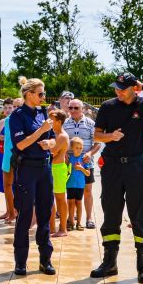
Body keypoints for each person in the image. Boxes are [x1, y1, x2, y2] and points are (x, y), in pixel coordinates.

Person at [90, 72, 143, 284]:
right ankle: (109, 263)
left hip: (136, 166)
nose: (118, 92)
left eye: (123, 88)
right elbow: (96, 135)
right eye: (117, 88)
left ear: (133, 88)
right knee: (111, 212)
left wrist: (142, 85)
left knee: (138, 214)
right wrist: (110, 137)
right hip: (112, 166)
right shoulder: (108, 106)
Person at [9, 76, 56, 276]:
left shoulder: (43, 113)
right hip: (27, 168)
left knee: (45, 214)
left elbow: (53, 139)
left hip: (44, 168)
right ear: (29, 94)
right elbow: (20, 144)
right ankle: (21, 261)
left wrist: (50, 143)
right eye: (40, 93)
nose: (43, 97)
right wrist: (41, 131)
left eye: (43, 93)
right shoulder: (17, 115)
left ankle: (45, 259)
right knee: (25, 215)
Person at [62, 98, 101, 229]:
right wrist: (63, 153)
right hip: (69, 164)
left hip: (85, 163)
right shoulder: (65, 124)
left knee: (87, 191)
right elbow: (60, 140)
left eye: (76, 108)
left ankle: (89, 218)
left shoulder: (91, 124)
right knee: (70, 191)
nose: (72, 110)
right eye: (70, 108)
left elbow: (97, 143)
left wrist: (89, 154)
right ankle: (70, 217)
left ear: (82, 109)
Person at [0, 97, 22, 223]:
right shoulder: (7, 120)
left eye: (18, 106)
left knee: (21, 186)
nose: (16, 109)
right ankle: (11, 212)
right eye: (15, 106)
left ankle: (21, 212)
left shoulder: (25, 120)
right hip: (8, 155)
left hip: (21, 155)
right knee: (7, 184)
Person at [48, 110, 69, 238]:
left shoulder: (62, 136)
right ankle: (52, 228)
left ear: (59, 122)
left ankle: (63, 228)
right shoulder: (54, 134)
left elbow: (52, 151)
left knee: (60, 198)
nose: (49, 121)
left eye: (52, 119)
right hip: (52, 167)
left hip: (58, 168)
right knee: (50, 199)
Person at [66, 137, 91, 231]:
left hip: (80, 185)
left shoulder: (84, 159)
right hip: (70, 184)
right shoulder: (69, 158)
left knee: (79, 203)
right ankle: (71, 222)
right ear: (72, 148)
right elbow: (65, 170)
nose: (79, 150)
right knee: (71, 203)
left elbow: (88, 173)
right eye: (77, 148)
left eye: (81, 148)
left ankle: (79, 223)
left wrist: (81, 168)